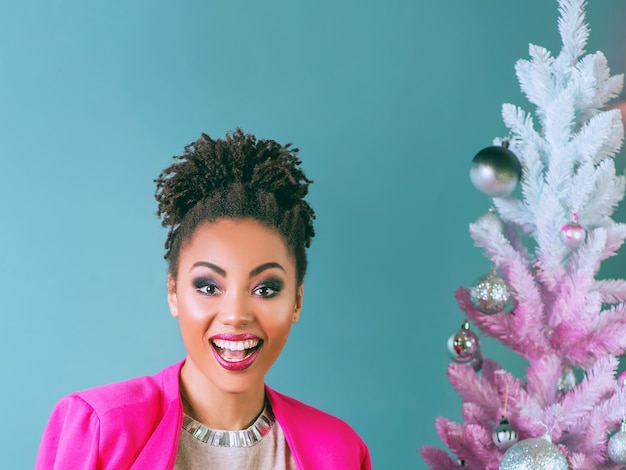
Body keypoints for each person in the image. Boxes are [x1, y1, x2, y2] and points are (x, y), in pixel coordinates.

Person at [35, 129, 371, 469]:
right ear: (173, 293)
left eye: (265, 289)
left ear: (297, 301)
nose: (236, 315)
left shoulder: (339, 450)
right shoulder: (99, 428)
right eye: (209, 287)